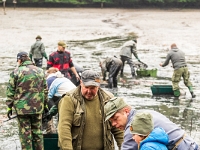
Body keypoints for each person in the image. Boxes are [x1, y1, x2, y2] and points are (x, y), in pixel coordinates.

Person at [58, 70, 124, 150]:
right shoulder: (69, 99)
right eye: (86, 87)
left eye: (93, 88)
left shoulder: (108, 98)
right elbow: (64, 128)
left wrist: (125, 147)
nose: (89, 91)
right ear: (81, 83)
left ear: (98, 86)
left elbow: (118, 129)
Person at [104, 97, 199, 150]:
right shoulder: (144, 113)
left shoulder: (134, 126)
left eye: (115, 118)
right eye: (111, 121)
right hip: (190, 143)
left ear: (126, 111)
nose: (114, 124)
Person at [6, 51, 48, 150]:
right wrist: (45, 105)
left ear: (19, 60)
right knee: (38, 132)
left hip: (22, 109)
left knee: (25, 134)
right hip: (38, 108)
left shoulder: (16, 72)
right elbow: (45, 90)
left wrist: (9, 107)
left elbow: (10, 91)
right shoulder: (40, 71)